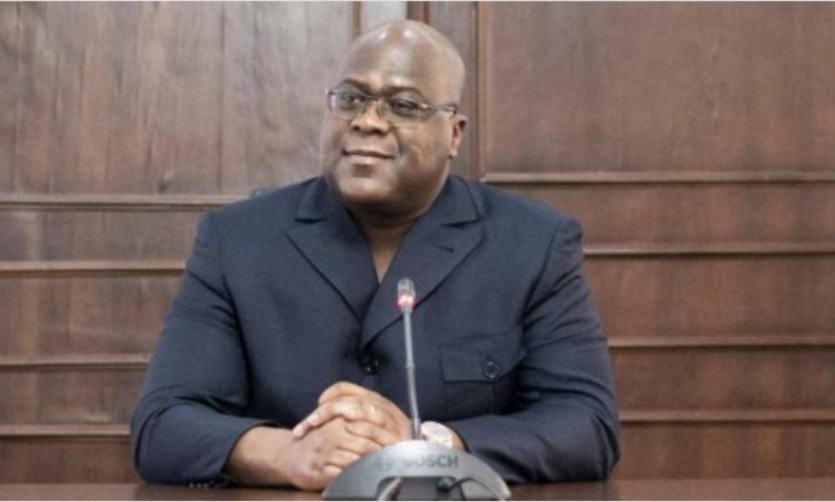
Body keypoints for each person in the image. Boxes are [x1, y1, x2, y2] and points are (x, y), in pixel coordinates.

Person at [131, 19, 620, 490]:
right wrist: (289, 454)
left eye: (402, 105)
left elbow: (587, 424)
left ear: (454, 133)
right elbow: (163, 425)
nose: (367, 121)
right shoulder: (237, 240)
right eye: (351, 99)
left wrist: (425, 444)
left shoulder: (532, 243)